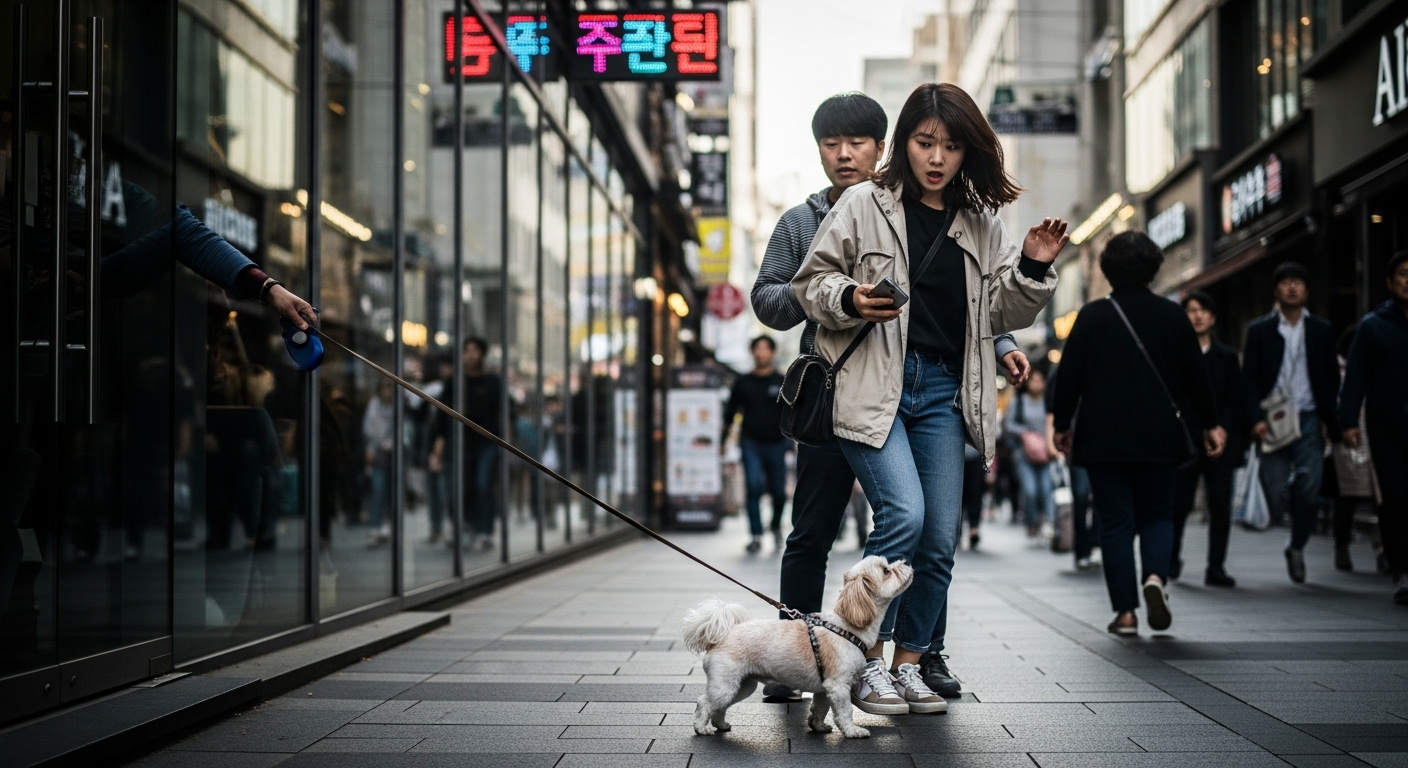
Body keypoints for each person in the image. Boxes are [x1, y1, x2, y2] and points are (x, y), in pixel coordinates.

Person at [751, 91, 1029, 703]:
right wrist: (842, 297)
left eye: (856, 142)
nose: (844, 154)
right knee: (814, 531)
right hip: (839, 387)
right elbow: (772, 296)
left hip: (927, 386)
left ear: (882, 147)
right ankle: (802, 657)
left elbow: (966, 299)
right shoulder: (810, 219)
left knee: (932, 529)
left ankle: (919, 657)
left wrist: (1003, 337)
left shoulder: (954, 215)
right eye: (831, 144)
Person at [1051, 232, 1225, 636]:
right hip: (1159, 435)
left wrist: (1062, 426)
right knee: (1157, 515)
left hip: (1102, 438)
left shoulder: (1092, 316)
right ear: (1153, 267)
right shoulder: (1172, 315)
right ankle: (1155, 580)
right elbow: (1196, 376)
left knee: (1114, 523)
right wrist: (1212, 423)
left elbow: (1069, 378)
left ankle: (1126, 613)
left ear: (1108, 270)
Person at [1242, 262, 1340, 584]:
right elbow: (1250, 379)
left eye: (1298, 282)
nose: (1292, 287)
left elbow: (1329, 377)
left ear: (1307, 290)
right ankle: (1289, 521)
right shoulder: (1260, 330)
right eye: (1285, 282)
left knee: (1310, 490)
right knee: (1276, 492)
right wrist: (1254, 419)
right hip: (1271, 421)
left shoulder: (1322, 330)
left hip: (1309, 417)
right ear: (1276, 290)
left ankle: (1297, 546)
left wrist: (1331, 418)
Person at [1339, 252, 1408, 604]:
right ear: (1389, 281)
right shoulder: (1373, 326)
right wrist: (1348, 421)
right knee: (1395, 496)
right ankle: (1401, 570)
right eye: (1403, 274)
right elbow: (1355, 377)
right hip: (1388, 427)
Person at [1170, 291, 1244, 587]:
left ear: (1213, 318)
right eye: (1192, 311)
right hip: (1186, 440)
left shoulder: (1226, 356)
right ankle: (1171, 558)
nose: (1198, 315)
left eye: (1204, 311)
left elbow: (1234, 399)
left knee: (1220, 504)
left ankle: (1216, 567)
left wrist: (1222, 429)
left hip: (1221, 443)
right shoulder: (1176, 355)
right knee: (1179, 504)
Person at [428, 337, 502, 551]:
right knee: (456, 489)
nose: (470, 355)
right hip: (458, 444)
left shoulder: (492, 382)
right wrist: (439, 443)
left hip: (486, 444)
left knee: (483, 485)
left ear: (482, 353)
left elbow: (502, 414)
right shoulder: (454, 382)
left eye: (475, 350)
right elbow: (442, 415)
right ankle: (464, 527)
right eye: (466, 350)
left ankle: (484, 531)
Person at [721, 336, 791, 553]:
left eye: (765, 349)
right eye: (757, 349)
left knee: (779, 492)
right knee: (753, 487)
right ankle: (756, 534)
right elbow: (730, 413)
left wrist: (795, 441)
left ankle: (776, 525)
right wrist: (722, 441)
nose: (761, 353)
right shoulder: (742, 382)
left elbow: (791, 413)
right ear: (752, 353)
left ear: (772, 352)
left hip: (777, 443)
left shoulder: (782, 381)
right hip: (750, 443)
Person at [1044, 365, 1098, 570]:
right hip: (1076, 442)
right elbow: (1051, 408)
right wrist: (1052, 440)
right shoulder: (1062, 370)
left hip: (1104, 441)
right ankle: (1083, 549)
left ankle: (1096, 545)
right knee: (1082, 494)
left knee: (1102, 496)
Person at [1004, 368, 1055, 540]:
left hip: (1046, 453)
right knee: (1030, 490)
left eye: (1041, 380)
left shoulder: (1048, 403)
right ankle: (1032, 522)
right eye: (1034, 380)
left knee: (1047, 489)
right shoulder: (1018, 402)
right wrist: (1025, 434)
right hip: (1024, 454)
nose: (1037, 384)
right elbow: (1008, 425)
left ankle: (1048, 521)